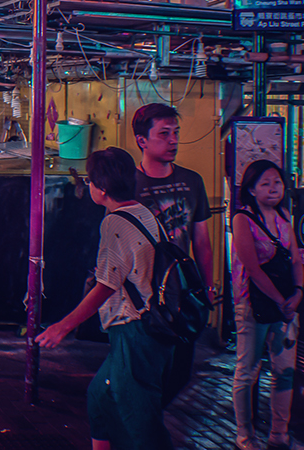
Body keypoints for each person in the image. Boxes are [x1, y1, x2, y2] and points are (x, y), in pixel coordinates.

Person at [37, 147, 173, 450]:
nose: (87, 186)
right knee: (100, 397)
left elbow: (106, 285)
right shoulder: (144, 211)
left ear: (102, 189)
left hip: (135, 331)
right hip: (148, 329)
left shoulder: (114, 223)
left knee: (141, 422)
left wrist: (63, 326)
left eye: (89, 181)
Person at [131, 102, 215, 404]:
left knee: (179, 373)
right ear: (142, 140)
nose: (173, 140)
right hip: (142, 299)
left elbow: (202, 241)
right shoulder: (130, 185)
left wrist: (206, 287)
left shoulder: (192, 181)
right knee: (144, 372)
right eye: (164, 134)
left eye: (176, 133)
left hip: (181, 295)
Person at [230, 160, 304, 450]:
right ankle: (244, 434)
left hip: (286, 305)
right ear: (251, 189)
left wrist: (298, 293)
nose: (273, 188)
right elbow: (252, 268)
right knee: (247, 369)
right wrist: (282, 302)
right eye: (265, 183)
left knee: (284, 370)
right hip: (253, 305)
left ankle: (279, 433)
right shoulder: (242, 219)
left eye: (277, 182)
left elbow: (297, 259)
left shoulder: (284, 216)